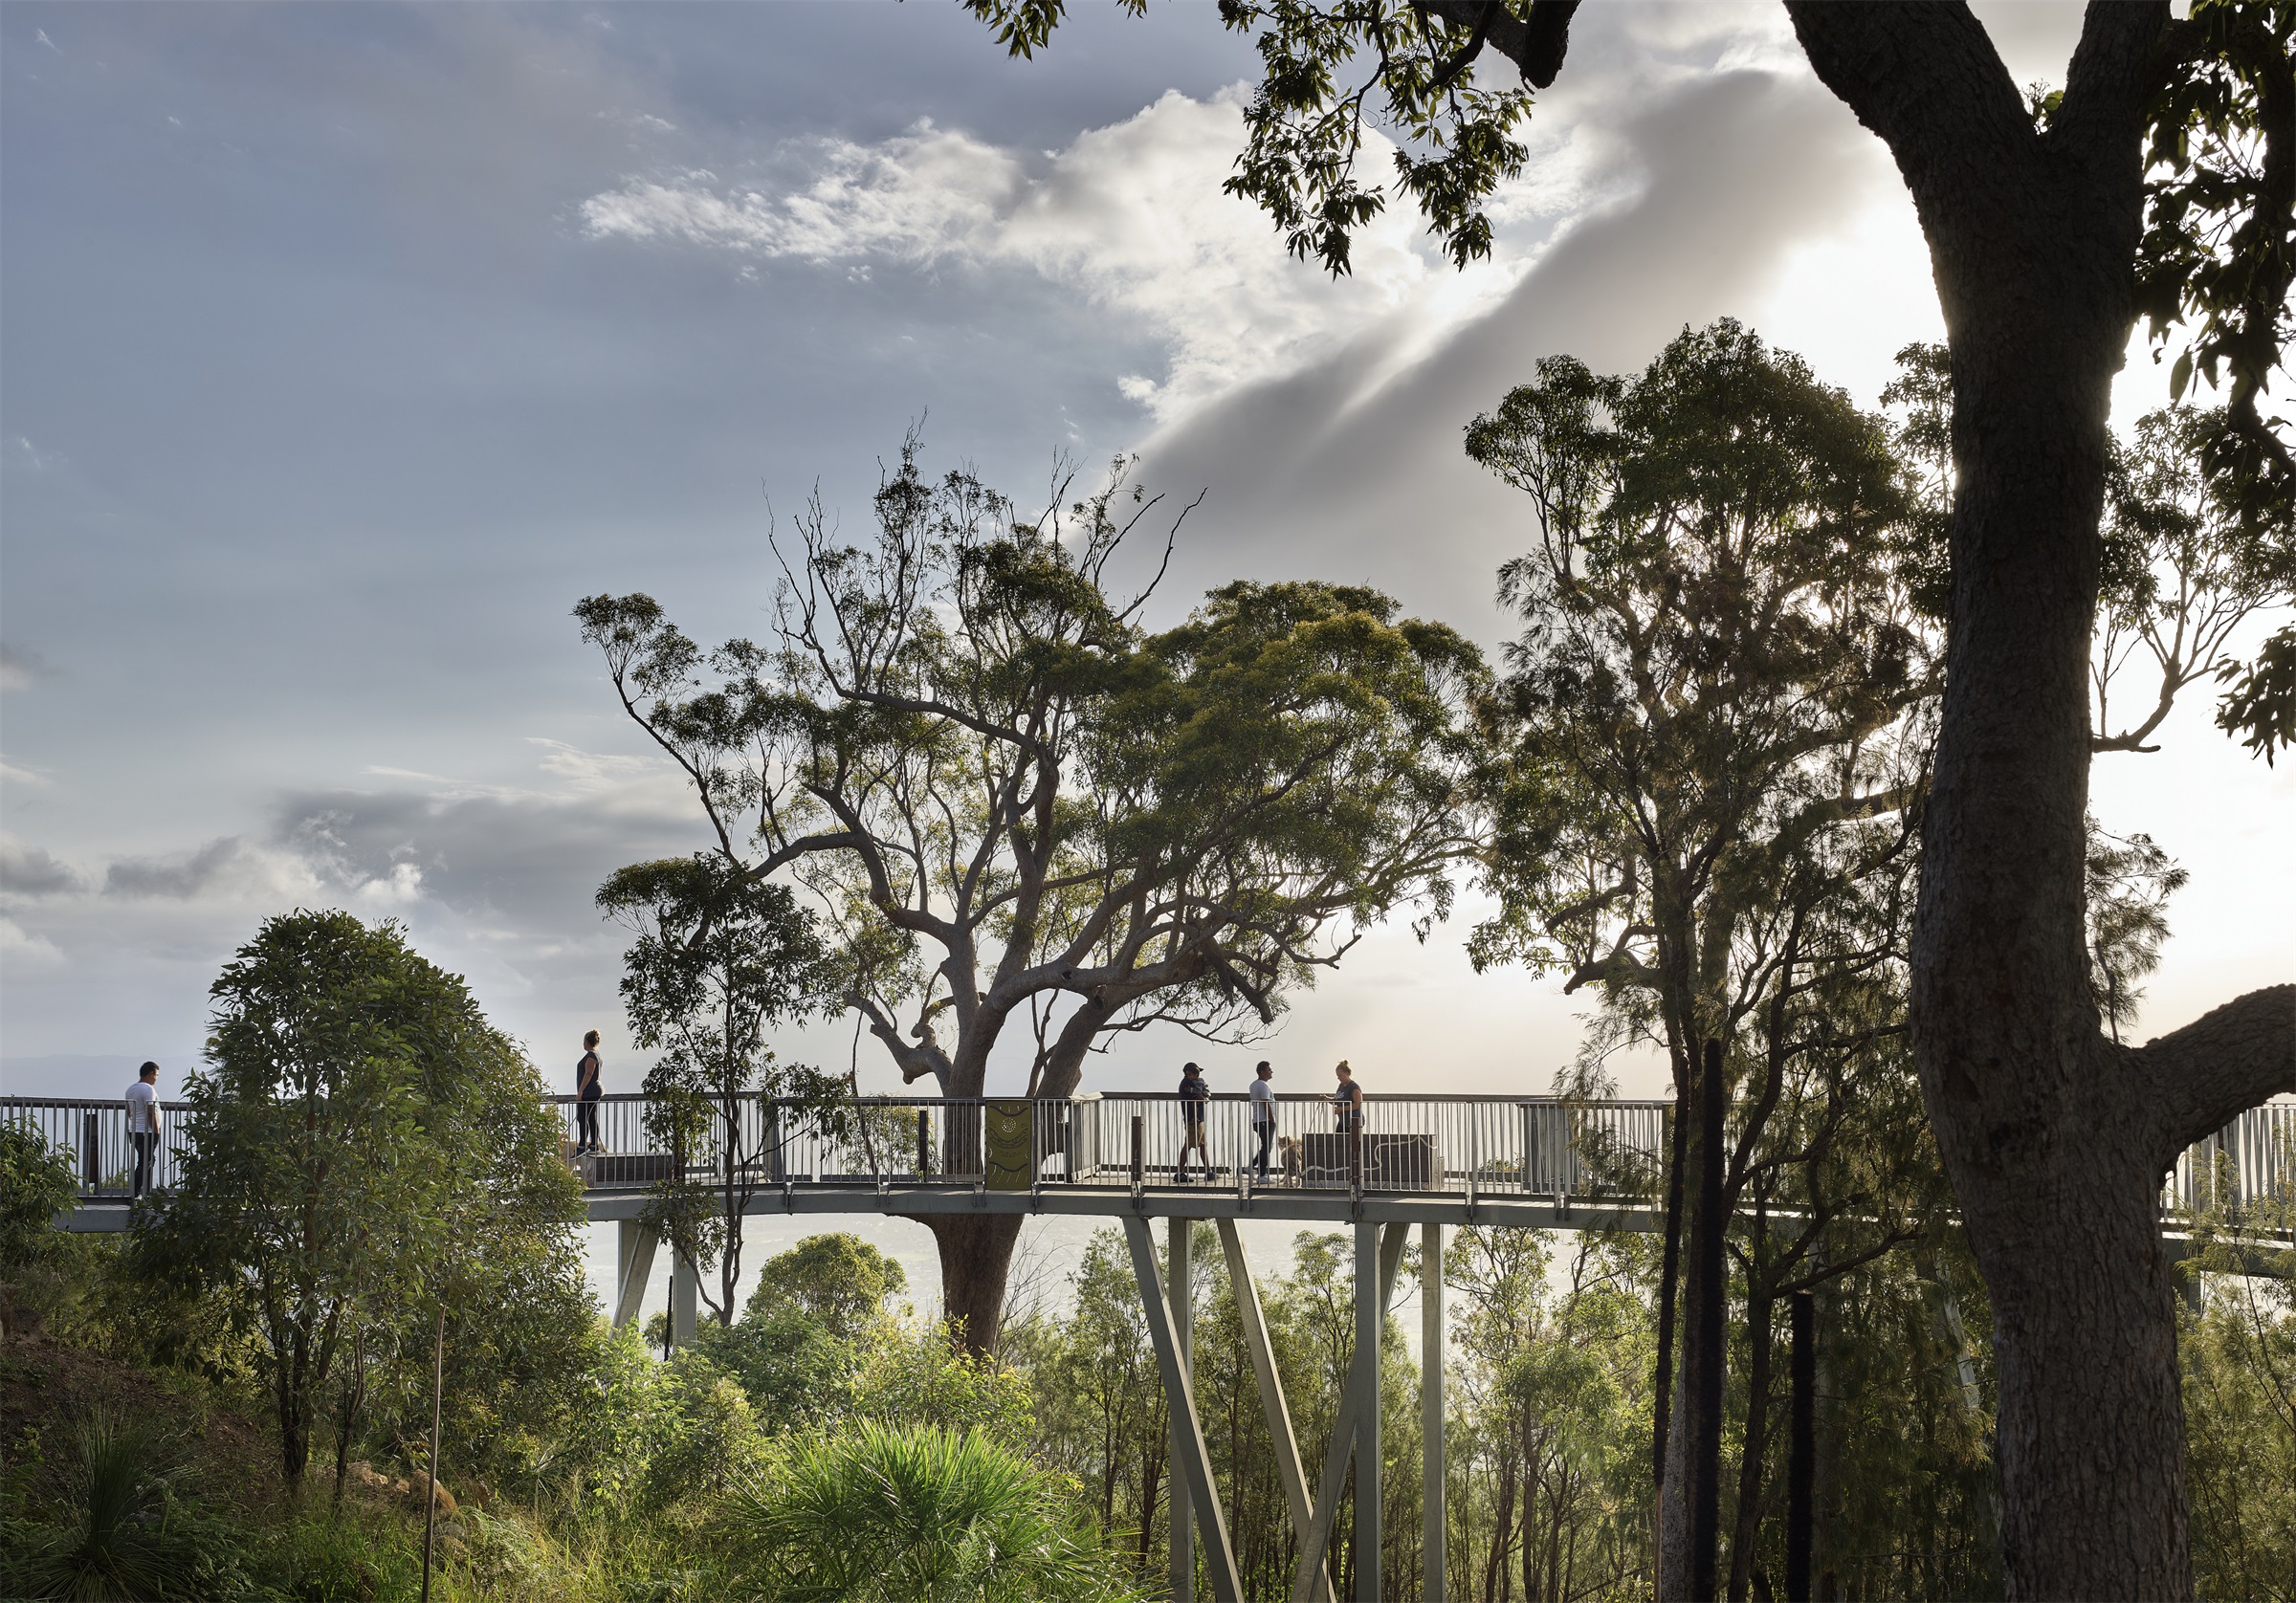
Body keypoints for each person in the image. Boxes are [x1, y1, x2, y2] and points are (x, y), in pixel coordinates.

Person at [125, 1062, 161, 1198]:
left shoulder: (131, 1089)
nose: (156, 1078)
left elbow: (129, 1112)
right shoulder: (148, 1089)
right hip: (147, 1132)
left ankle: (140, 1192)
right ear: (151, 1074)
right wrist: (156, 1131)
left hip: (134, 1130)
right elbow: (151, 1111)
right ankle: (136, 1193)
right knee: (146, 1161)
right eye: (156, 1075)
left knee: (145, 1160)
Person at [1331, 1059, 1364, 1184]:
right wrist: (1327, 1099)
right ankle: (1341, 1171)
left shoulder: (1354, 1087)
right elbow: (1338, 1099)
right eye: (1337, 1076)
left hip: (1353, 1121)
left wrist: (1341, 1109)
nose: (1338, 1078)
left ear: (1347, 1073)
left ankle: (1353, 1175)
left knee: (1353, 1148)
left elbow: (1357, 1104)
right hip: (1343, 1121)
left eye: (1340, 1075)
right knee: (1338, 1143)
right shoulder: (1341, 1086)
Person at [1177, 1061, 1210, 1182]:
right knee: (1188, 1145)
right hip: (1193, 1119)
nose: (1197, 1076)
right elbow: (1199, 1098)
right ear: (1188, 1073)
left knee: (1202, 1144)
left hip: (1197, 1119)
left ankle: (1208, 1171)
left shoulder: (1190, 1083)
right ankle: (1179, 1173)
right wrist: (1204, 1098)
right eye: (1194, 1073)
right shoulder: (1188, 1084)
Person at [575, 1031, 604, 1155]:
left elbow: (588, 1073)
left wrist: (580, 1091)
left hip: (589, 1092)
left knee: (582, 1117)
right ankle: (593, 1145)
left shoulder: (591, 1056)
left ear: (587, 1041)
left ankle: (582, 1146)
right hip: (593, 1091)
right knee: (591, 1117)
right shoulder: (595, 1055)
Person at [1248, 1061, 1277, 1181]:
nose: (1271, 1072)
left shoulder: (1254, 1084)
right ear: (1262, 1072)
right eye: (1269, 1070)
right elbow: (1266, 1104)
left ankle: (1251, 1167)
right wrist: (1272, 1120)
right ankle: (1262, 1175)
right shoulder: (1263, 1085)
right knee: (1267, 1147)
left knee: (1267, 1146)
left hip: (1257, 1120)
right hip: (1264, 1120)